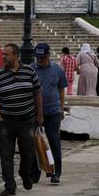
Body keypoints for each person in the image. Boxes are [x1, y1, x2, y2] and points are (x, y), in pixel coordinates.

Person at [0, 43, 43, 196]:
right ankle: (9, 186)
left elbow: (37, 93)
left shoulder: (29, 72)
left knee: (28, 153)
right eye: (2, 55)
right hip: (6, 122)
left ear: (16, 56)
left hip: (27, 120)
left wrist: (39, 115)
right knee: (6, 156)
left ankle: (24, 174)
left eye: (6, 55)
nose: (3, 57)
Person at [31, 44, 68, 185]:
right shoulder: (30, 69)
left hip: (53, 112)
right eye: (38, 57)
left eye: (43, 57)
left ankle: (55, 172)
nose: (40, 60)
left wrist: (61, 109)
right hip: (34, 112)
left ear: (48, 56)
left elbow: (61, 90)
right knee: (34, 143)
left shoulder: (57, 70)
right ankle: (35, 174)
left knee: (54, 142)